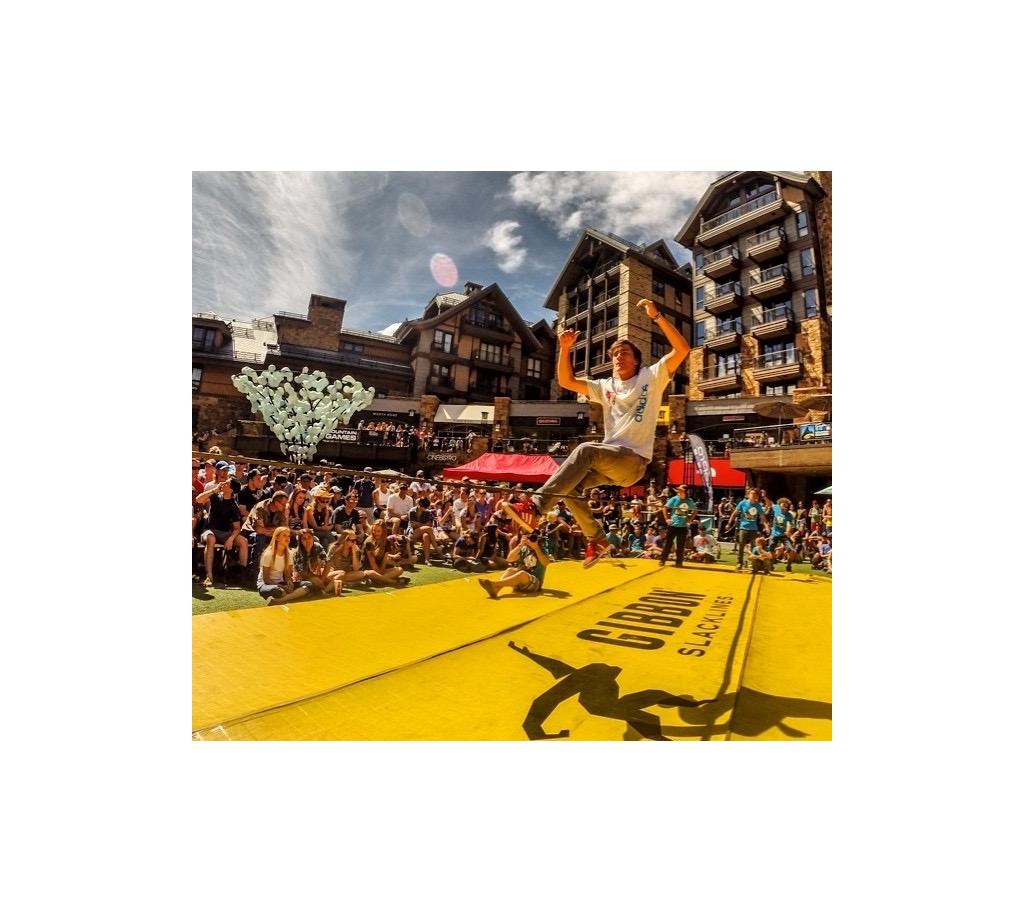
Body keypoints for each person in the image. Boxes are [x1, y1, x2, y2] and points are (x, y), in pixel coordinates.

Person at [531, 299, 690, 568]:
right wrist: (565, 348)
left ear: (637, 359)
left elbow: (683, 349)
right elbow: (566, 382)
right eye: (615, 354)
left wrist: (657, 316)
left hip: (634, 461)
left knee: (585, 450)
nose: (618, 357)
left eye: (625, 352)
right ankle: (598, 539)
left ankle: (536, 506)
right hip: (611, 464)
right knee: (572, 489)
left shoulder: (651, 376)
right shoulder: (605, 386)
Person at [196, 478, 248, 586]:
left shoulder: (233, 506)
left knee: (243, 541)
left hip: (226, 533)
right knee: (211, 538)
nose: (223, 483)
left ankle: (242, 575)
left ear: (231, 490)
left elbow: (237, 528)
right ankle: (209, 576)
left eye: (227, 483)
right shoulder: (215, 496)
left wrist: (231, 539)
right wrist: (214, 489)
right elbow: (198, 500)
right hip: (210, 531)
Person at [478, 530, 553, 599]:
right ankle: (496, 590)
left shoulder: (541, 548)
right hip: (519, 582)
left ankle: (494, 584)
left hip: (534, 584)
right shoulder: (523, 548)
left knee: (522, 574)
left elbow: (546, 563)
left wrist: (536, 548)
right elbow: (509, 559)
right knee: (510, 570)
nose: (531, 539)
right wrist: (520, 545)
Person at [257, 527, 312, 606]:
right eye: (284, 536)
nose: (287, 538)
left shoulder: (289, 554)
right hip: (266, 585)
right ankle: (292, 597)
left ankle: (278, 601)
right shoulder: (268, 554)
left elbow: (287, 575)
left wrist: (289, 583)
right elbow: (266, 579)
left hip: (281, 582)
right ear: (277, 538)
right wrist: (283, 587)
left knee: (308, 585)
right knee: (280, 591)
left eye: (288, 536)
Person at [727, 488, 769, 572]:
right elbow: (735, 513)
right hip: (743, 527)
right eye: (751, 494)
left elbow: (762, 517)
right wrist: (729, 523)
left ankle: (753, 564)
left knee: (754, 547)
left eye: (755, 494)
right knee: (741, 545)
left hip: (753, 529)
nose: (753, 495)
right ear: (748, 495)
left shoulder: (758, 505)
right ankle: (739, 563)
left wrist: (766, 526)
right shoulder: (743, 503)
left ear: (757, 496)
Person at [660, 484, 697, 568]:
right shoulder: (674, 499)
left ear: (685, 491)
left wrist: (689, 520)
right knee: (668, 544)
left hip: (683, 526)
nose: (678, 491)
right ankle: (662, 560)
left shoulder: (689, 501)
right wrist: (667, 519)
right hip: (673, 525)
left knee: (681, 545)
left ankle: (679, 562)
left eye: (680, 490)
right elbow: (664, 508)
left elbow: (695, 511)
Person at [292, 528, 330, 594]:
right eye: (304, 539)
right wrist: (317, 579)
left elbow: (328, 564)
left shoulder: (317, 546)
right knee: (316, 581)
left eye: (309, 537)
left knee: (338, 575)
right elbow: (302, 573)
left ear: (313, 538)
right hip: (302, 579)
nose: (307, 540)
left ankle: (324, 590)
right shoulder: (297, 553)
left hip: (317, 576)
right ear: (300, 541)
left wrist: (322, 579)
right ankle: (324, 590)